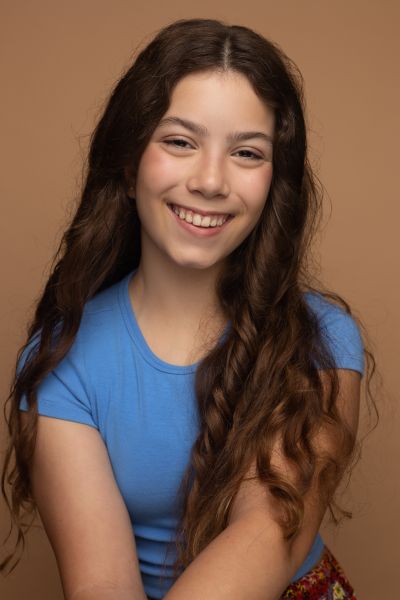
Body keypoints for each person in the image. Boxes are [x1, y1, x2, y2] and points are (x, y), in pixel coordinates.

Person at [1, 17, 377, 600]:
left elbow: (268, 531)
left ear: (274, 181)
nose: (210, 180)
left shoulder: (322, 338)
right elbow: (100, 583)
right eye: (180, 141)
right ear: (129, 166)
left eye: (247, 153)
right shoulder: (63, 359)